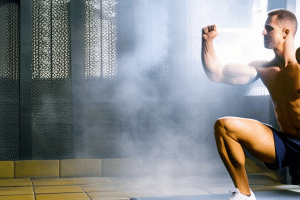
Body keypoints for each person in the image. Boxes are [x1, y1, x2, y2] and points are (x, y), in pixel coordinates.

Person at [202, 9, 300, 200]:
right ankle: (244, 195)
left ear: (286, 33)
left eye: (268, 28)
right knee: (224, 127)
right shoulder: (263, 68)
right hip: (285, 143)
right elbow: (217, 73)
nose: (263, 33)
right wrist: (207, 41)